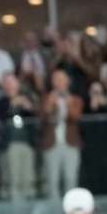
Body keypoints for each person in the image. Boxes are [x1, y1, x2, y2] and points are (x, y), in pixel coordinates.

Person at [0, 73, 39, 200]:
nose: (10, 86)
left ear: (18, 84)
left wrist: (28, 107)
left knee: (28, 178)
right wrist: (12, 105)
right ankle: (15, 205)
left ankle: (28, 204)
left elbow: (36, 118)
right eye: (7, 83)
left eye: (12, 82)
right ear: (3, 86)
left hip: (27, 143)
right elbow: (0, 119)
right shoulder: (0, 102)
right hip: (10, 145)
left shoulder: (27, 99)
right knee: (13, 179)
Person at [41, 70, 83, 198]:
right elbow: (43, 116)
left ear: (67, 82)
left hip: (70, 144)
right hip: (51, 144)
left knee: (71, 179)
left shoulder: (75, 99)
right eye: (56, 80)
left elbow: (75, 117)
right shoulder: (46, 98)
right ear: (52, 82)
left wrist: (68, 104)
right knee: (52, 181)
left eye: (62, 79)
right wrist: (50, 102)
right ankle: (54, 210)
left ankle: (71, 208)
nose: (59, 83)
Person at [78, 83, 107, 196]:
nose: (97, 96)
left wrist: (106, 106)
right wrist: (91, 108)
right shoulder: (84, 108)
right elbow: (81, 129)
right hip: (91, 151)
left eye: (99, 92)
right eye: (94, 92)